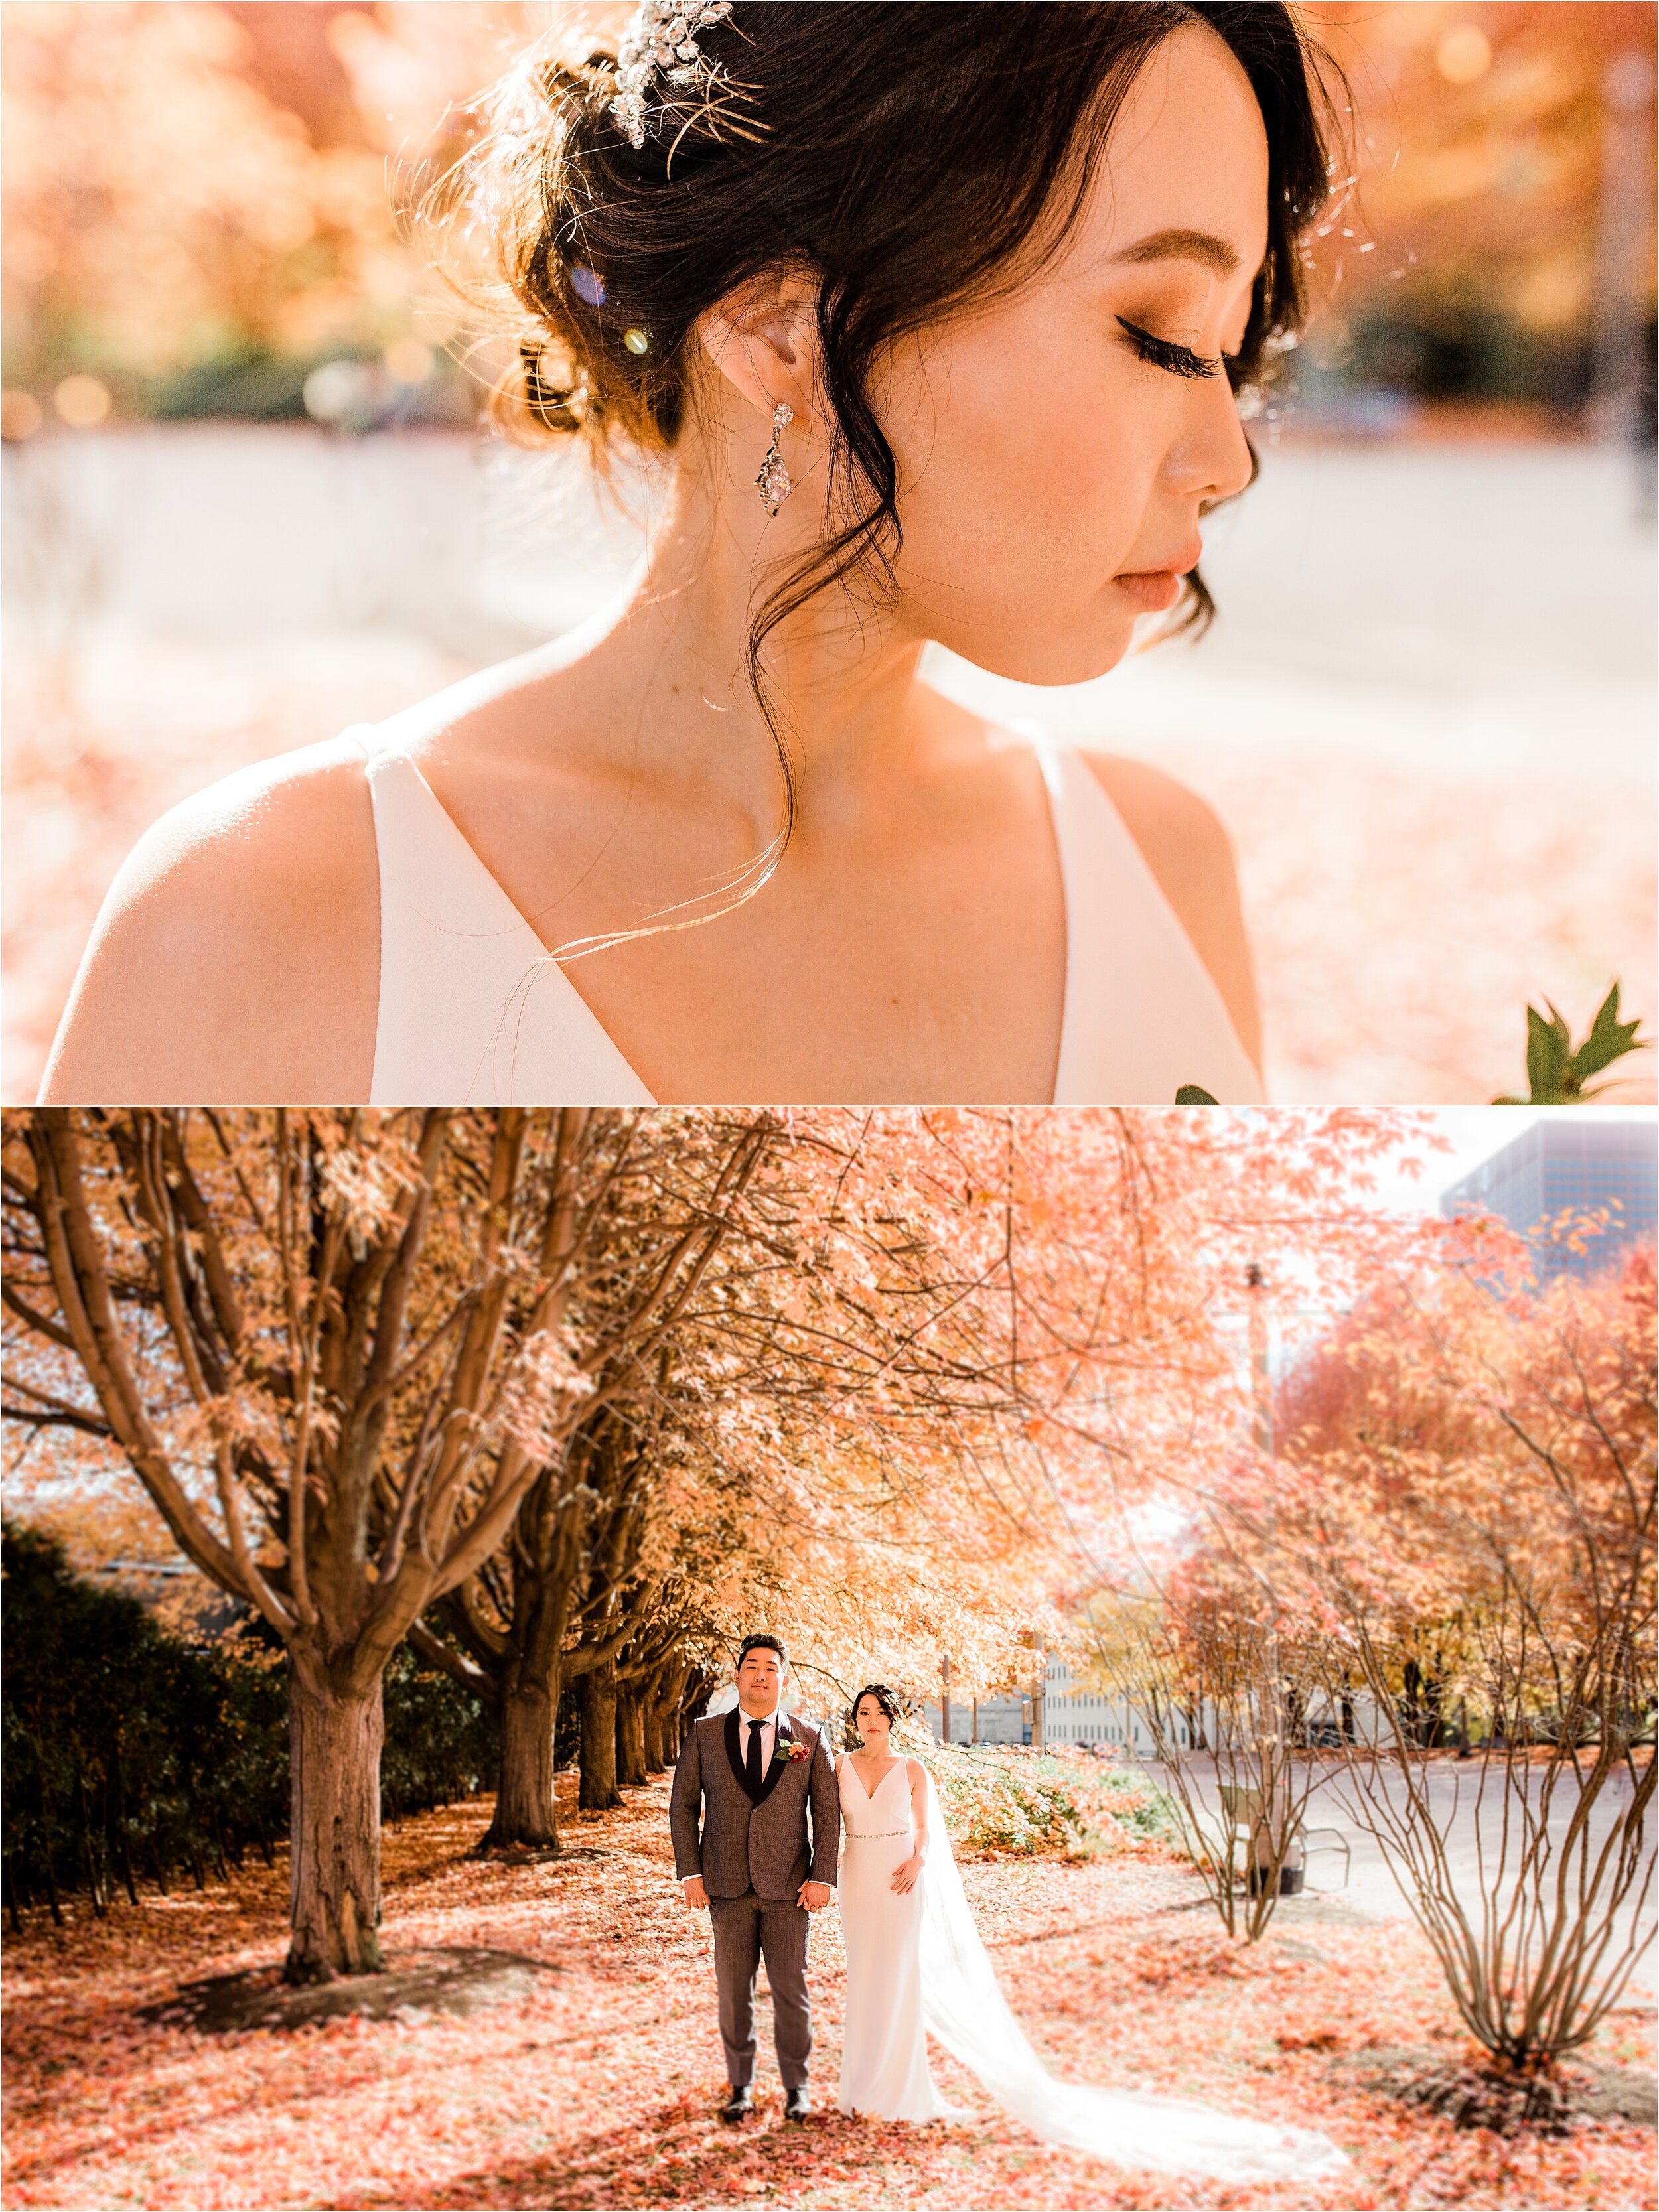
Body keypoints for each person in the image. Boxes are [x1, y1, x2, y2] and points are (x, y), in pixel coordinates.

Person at [42, 3, 1334, 1109]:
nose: (1225, 456)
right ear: (779, 332)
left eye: (1231, 351)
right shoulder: (264, 914)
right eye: (1156, 332)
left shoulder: (1161, 872)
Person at [833, 1683, 1350, 2183]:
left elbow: (927, 1828)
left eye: (879, 1712)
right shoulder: (840, 1765)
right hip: (859, 1877)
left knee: (901, 1981)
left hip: (901, 1879)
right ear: (855, 1719)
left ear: (893, 1719)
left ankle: (901, 2092)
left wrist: (919, 1859)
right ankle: (858, 2090)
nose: (871, 1720)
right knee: (865, 1978)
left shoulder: (913, 1768)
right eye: (863, 1712)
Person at [670, 1633, 839, 2123]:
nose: (760, 1674)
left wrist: (822, 1877)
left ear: (783, 1678)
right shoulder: (704, 1734)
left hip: (790, 1890)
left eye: (770, 1666)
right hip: (725, 1885)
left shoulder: (808, 1738)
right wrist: (690, 1873)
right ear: (738, 1675)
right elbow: (683, 1807)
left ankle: (797, 2089)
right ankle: (740, 2087)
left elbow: (826, 1816)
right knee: (733, 1992)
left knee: (791, 1990)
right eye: (751, 1666)